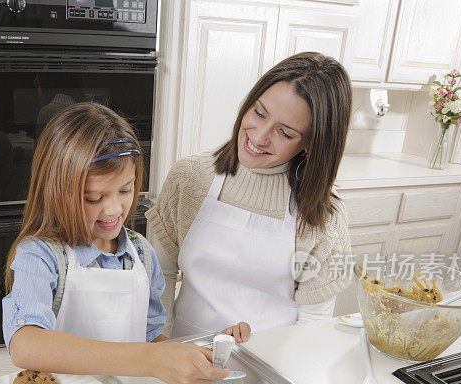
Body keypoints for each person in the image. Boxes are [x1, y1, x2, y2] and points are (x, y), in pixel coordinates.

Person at [2, 102, 246, 384]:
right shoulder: (42, 255)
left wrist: (204, 354)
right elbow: (25, 344)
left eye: (125, 189)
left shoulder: (142, 253)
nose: (113, 209)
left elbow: (150, 338)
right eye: (94, 198)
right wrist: (150, 360)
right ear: (57, 192)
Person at [147, 52, 353, 338]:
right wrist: (162, 348)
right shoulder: (190, 178)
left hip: (271, 367)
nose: (258, 137)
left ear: (311, 143)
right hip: (182, 354)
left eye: (285, 132)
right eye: (259, 113)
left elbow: (313, 323)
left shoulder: (323, 217)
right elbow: (161, 278)